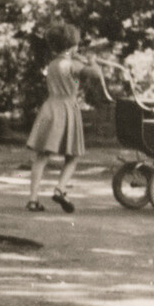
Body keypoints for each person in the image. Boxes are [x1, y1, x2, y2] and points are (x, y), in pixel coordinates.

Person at [24, 22, 118, 213]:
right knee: (73, 155)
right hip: (67, 108)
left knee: (41, 156)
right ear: (73, 45)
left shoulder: (53, 64)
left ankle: (33, 200)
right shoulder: (74, 64)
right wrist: (91, 61)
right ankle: (60, 188)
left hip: (50, 108)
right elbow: (96, 75)